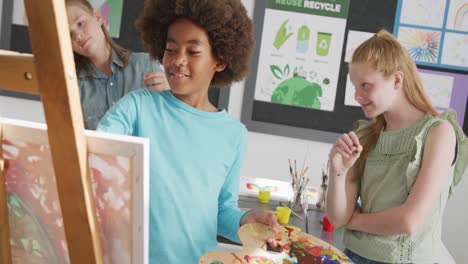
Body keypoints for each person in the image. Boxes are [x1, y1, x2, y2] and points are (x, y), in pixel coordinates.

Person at [97, 0, 279, 262]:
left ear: (221, 60)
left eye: (193, 52)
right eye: (171, 49)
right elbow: (95, 150)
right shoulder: (138, 107)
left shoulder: (234, 135)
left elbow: (220, 211)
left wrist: (245, 219)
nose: (177, 60)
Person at [327, 30, 467, 263]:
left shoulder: (439, 133)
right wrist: (337, 171)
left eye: (365, 85)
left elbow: (408, 221)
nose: (357, 95)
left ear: (397, 80)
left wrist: (356, 221)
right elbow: (337, 217)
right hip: (353, 256)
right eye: (355, 86)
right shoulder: (364, 135)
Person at [65, 0, 169, 130]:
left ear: (98, 17)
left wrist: (173, 96)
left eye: (80, 23)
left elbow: (169, 124)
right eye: (69, 34)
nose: (78, 35)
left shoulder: (146, 66)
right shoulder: (74, 88)